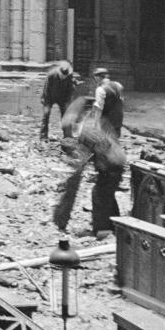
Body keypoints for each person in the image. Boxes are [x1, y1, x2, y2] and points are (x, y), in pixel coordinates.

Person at [53, 67, 126, 239]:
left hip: (111, 165)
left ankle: (101, 231)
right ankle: (116, 225)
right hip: (118, 162)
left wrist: (64, 206)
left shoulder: (85, 132)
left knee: (99, 195)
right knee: (107, 193)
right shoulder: (101, 124)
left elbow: (80, 164)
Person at [39, 60, 78, 142]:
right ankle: (43, 136)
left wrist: (68, 102)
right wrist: (45, 101)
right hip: (49, 97)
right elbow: (46, 89)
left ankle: (67, 135)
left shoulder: (69, 75)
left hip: (62, 97)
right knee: (45, 116)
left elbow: (69, 89)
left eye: (65, 76)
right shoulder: (51, 74)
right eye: (62, 75)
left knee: (66, 116)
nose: (64, 77)